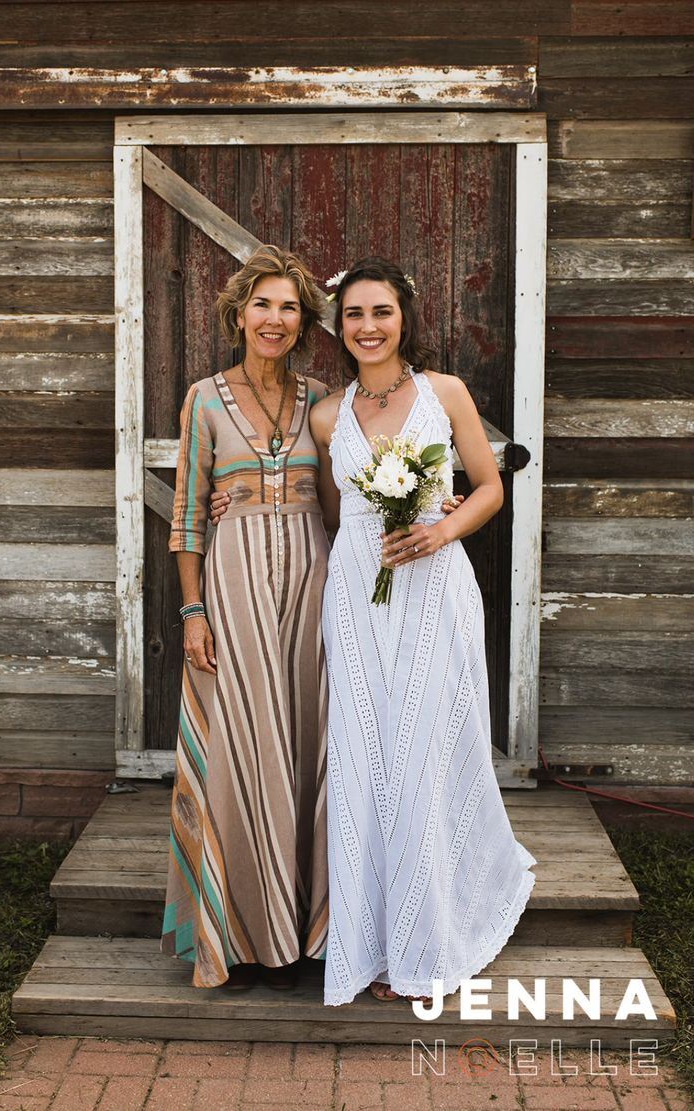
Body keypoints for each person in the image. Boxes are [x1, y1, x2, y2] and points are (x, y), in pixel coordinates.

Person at [309, 257, 536, 1006]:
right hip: (357, 595)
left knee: (422, 749)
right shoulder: (326, 414)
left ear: (404, 316)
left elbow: (490, 486)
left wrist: (439, 534)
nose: (367, 327)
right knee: (366, 753)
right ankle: (369, 937)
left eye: (380, 312)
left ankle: (427, 935)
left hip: (433, 587)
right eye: (353, 315)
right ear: (337, 327)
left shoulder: (444, 393)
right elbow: (329, 515)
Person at [161, 244, 331, 991]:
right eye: (262, 303)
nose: (275, 318)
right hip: (231, 585)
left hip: (312, 575)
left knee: (308, 736)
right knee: (239, 739)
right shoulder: (204, 397)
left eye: (289, 306)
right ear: (238, 313)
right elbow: (186, 517)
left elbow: (339, 497)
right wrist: (193, 610)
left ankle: (310, 930)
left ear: (303, 321)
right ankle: (235, 930)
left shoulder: (321, 396)